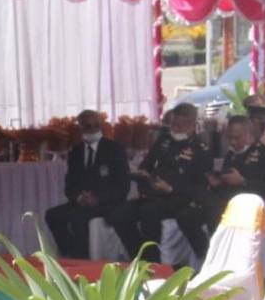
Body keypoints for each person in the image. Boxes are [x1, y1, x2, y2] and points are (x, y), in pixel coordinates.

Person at [106, 103, 212, 265]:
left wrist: (170, 189)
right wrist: (141, 173)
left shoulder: (200, 149)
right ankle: (139, 257)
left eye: (180, 123)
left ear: (191, 125)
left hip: (177, 199)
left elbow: (199, 186)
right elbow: (146, 165)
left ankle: (153, 262)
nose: (175, 127)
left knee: (149, 213)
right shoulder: (164, 141)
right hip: (152, 194)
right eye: (173, 122)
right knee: (119, 215)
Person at [44, 110, 131, 260]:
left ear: (101, 126)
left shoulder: (115, 149)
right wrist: (78, 197)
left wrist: (97, 198)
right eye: (87, 126)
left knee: (78, 218)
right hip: (82, 201)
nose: (91, 130)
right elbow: (70, 184)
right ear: (81, 128)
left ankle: (82, 260)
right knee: (53, 215)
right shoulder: (76, 152)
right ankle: (68, 253)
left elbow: (122, 185)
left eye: (95, 126)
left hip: (107, 203)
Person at [206, 114, 265, 226]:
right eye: (229, 138)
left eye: (236, 137)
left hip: (252, 206)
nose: (232, 142)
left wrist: (243, 181)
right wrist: (217, 183)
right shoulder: (231, 154)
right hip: (227, 203)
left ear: (248, 135)